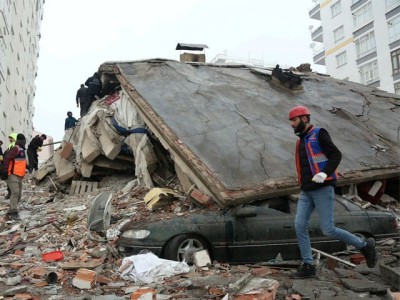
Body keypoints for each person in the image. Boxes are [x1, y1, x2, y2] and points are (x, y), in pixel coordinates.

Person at [288, 105, 377, 279]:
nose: (291, 124)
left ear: (304, 119)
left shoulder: (319, 133)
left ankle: (364, 245)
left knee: (328, 229)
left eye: (294, 120)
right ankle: (308, 265)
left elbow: (336, 155)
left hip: (322, 188)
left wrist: (324, 173)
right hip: (306, 191)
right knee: (299, 225)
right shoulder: (300, 141)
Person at [0, 133, 27, 220]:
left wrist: (28, 167)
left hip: (19, 176)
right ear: (22, 141)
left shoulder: (22, 149)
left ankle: (11, 210)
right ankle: (13, 212)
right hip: (12, 175)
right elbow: (7, 158)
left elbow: (21, 162)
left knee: (18, 195)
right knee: (15, 192)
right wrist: (5, 169)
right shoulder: (16, 148)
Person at [2, 133, 17, 199]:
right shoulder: (10, 146)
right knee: (8, 180)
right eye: (10, 138)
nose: (10, 139)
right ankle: (10, 192)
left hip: (14, 167)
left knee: (12, 181)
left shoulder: (15, 147)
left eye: (12, 138)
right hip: (8, 166)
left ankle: (12, 194)